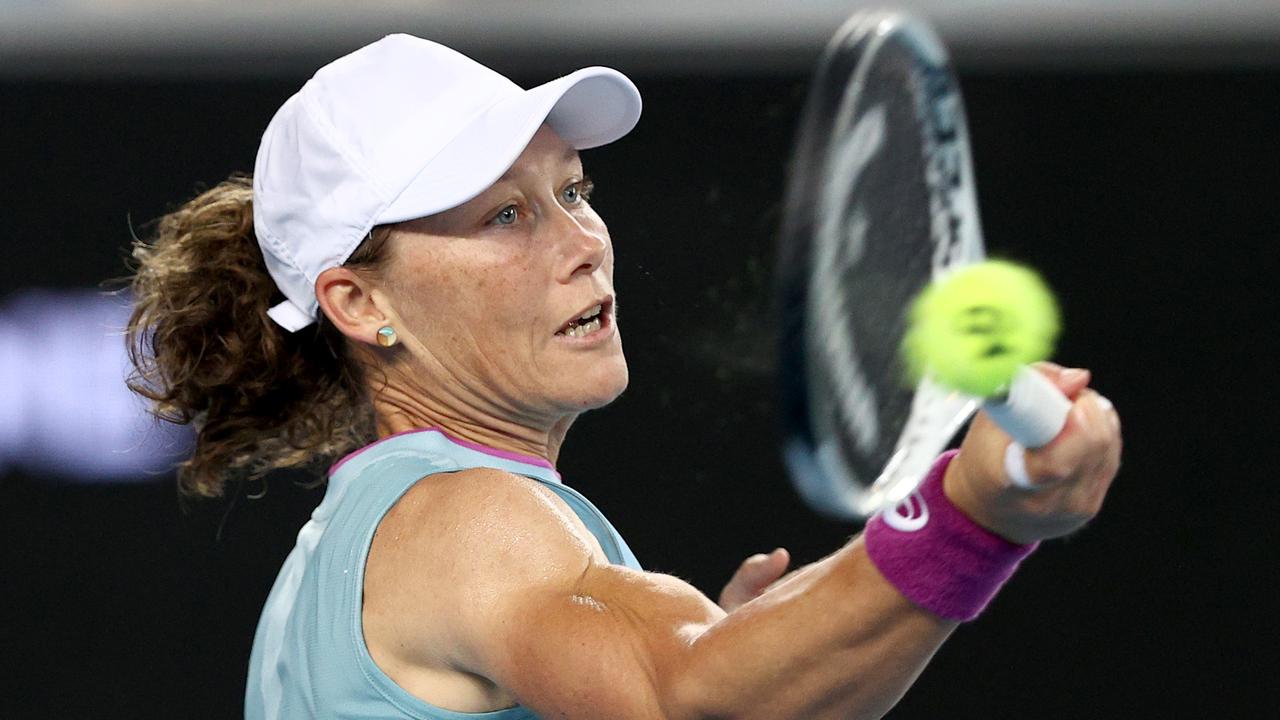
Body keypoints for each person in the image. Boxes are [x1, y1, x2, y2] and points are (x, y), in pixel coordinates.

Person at [126, 34, 1122, 720]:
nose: (581, 244)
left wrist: (746, 659)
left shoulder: (366, 540)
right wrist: (972, 517)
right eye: (503, 217)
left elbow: (696, 683)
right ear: (358, 304)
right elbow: (688, 695)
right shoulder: (464, 521)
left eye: (571, 191)